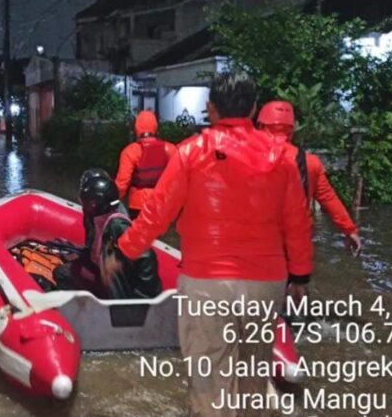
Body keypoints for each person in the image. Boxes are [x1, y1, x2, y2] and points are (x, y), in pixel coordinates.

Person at [106, 72, 313, 416]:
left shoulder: (190, 153)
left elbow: (157, 214)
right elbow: (297, 221)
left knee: (208, 379)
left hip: (206, 284)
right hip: (266, 283)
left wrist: (123, 252)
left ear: (211, 109)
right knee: (253, 375)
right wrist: (301, 275)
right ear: (254, 108)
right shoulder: (283, 158)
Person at [257, 101, 362, 256]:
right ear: (291, 130)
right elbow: (328, 198)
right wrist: (349, 230)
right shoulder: (311, 163)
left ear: (260, 127)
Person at [80, 177, 161, 299]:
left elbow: (147, 254)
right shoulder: (98, 219)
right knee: (65, 272)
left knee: (65, 274)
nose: (87, 207)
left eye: (90, 204)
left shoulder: (118, 225)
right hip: (104, 276)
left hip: (124, 294)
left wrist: (117, 260)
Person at [114, 110, 176, 218]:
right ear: (155, 127)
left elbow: (121, 185)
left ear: (136, 128)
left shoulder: (130, 151)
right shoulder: (170, 149)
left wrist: (112, 201)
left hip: (137, 205)